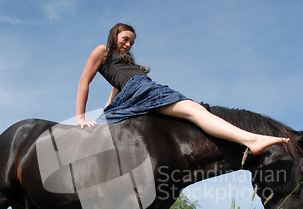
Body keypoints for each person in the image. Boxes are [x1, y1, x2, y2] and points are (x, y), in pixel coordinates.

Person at [76, 23, 289, 155]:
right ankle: (251, 139)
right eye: (125, 39)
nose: (129, 45)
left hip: (140, 90)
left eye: (132, 42)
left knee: (192, 113)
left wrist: (107, 113)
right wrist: (81, 117)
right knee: (195, 111)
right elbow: (85, 80)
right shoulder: (102, 51)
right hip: (139, 89)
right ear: (114, 36)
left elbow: (115, 95)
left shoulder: (126, 63)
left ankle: (250, 139)